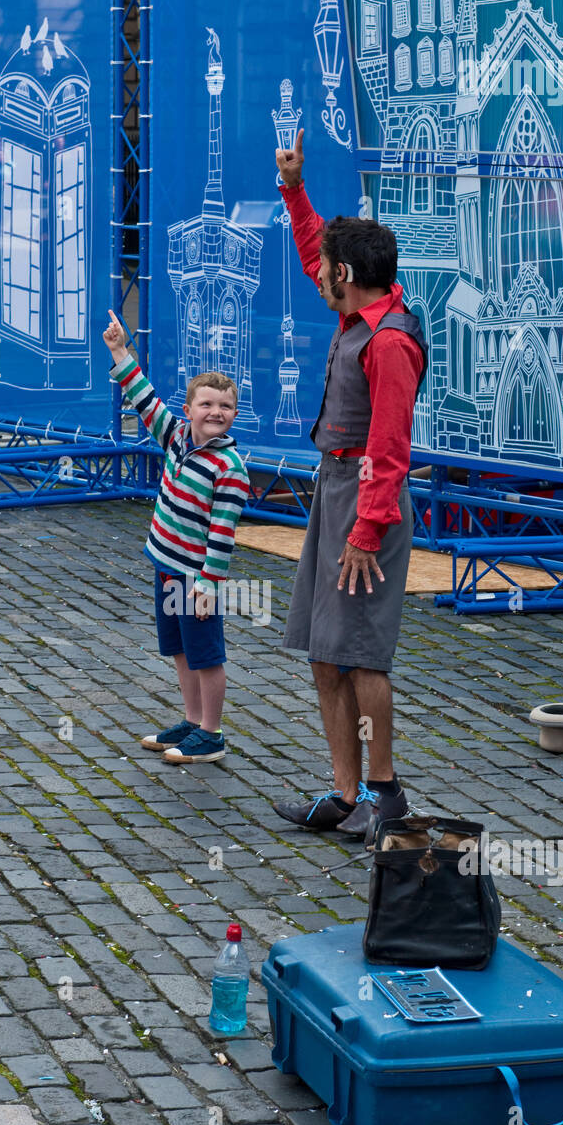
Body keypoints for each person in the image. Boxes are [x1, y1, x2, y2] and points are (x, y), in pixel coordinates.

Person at [271, 129, 427, 843]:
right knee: (326, 649)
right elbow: (312, 251)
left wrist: (368, 530)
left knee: (362, 650)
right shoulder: (356, 306)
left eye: (328, 269)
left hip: (368, 500)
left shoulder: (389, 340)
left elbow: (390, 449)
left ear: (348, 275)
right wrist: (294, 189)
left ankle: (384, 794)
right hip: (335, 487)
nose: (319, 274)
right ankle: (344, 791)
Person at [102, 310, 250, 763]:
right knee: (180, 650)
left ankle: (212, 733)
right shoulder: (177, 438)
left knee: (206, 654)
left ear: (234, 414)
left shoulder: (230, 470)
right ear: (189, 411)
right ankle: (191, 721)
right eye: (206, 405)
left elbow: (222, 535)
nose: (215, 413)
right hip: (166, 566)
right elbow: (145, 399)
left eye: (224, 407)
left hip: (196, 577)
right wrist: (120, 351)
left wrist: (209, 584)